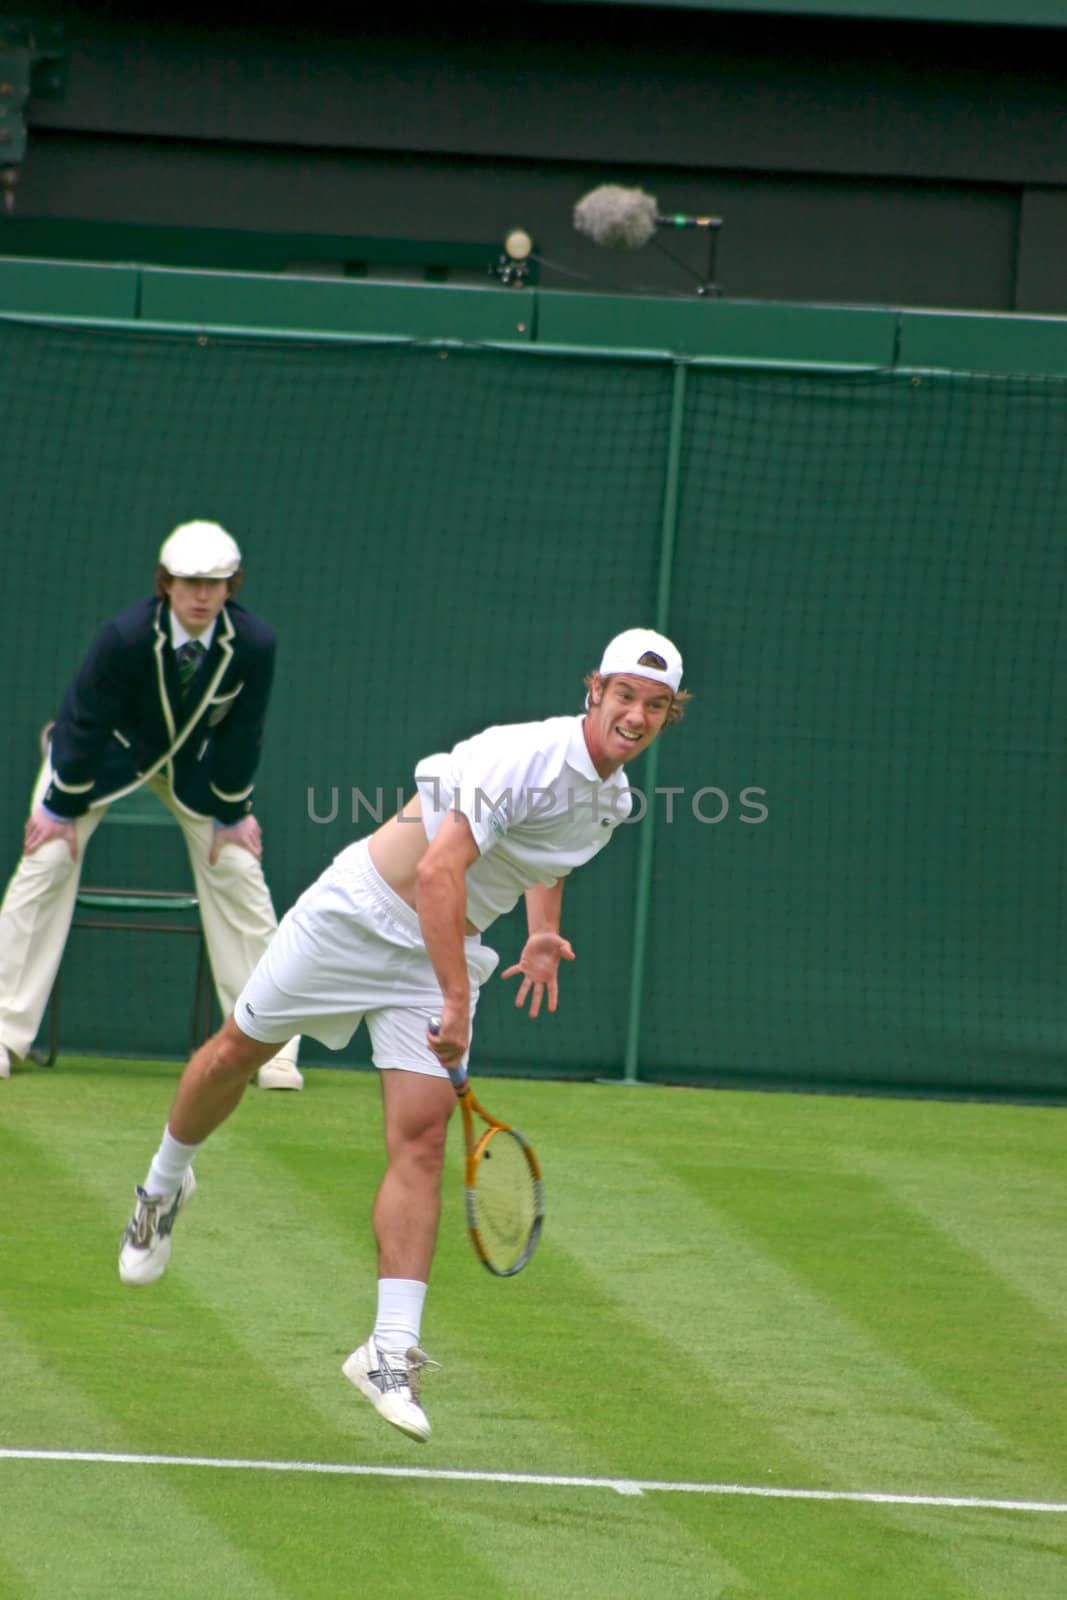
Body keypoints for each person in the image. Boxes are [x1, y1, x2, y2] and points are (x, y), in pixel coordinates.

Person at [117, 627, 688, 1441]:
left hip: (437, 955)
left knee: (420, 1140)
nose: (636, 715)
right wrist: (457, 1001)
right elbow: (435, 871)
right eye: (625, 695)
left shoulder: (613, 800)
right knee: (236, 1054)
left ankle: (388, 1350)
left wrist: (537, 933)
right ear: (592, 689)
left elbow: (544, 858)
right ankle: (162, 1185)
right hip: (359, 915)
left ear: (668, 716)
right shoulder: (519, 755)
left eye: (655, 705)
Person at [0, 520, 302, 1091]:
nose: (201, 595)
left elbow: (244, 732)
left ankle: (270, 1048)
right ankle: (2, 1032)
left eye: (215, 583)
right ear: (165, 583)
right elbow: (83, 721)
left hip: (195, 771)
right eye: (189, 581)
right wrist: (59, 808)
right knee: (44, 864)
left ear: (232, 586)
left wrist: (233, 815)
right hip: (99, 761)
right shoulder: (125, 636)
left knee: (240, 872)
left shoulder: (255, 643)